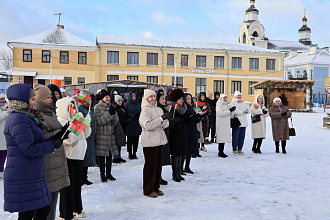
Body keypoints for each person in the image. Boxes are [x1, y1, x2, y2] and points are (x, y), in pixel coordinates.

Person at [4, 84, 55, 219]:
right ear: (22, 100)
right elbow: (29, 149)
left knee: (40, 210)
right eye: (32, 99)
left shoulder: (27, 115)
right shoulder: (18, 118)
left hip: (30, 172)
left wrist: (54, 138)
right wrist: (51, 145)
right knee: (30, 213)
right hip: (23, 174)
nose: (34, 102)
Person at [34, 84, 70, 220]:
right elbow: (40, 136)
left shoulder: (50, 112)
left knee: (52, 204)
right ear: (40, 100)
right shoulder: (38, 114)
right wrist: (59, 133)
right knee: (46, 207)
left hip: (56, 161)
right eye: (48, 97)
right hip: (48, 164)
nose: (52, 99)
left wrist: (64, 132)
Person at [57, 97, 91, 219]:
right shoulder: (61, 121)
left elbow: (86, 135)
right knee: (68, 187)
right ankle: (65, 213)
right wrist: (77, 126)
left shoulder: (74, 119)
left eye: (74, 106)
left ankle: (77, 208)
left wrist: (85, 124)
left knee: (77, 184)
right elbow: (69, 140)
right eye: (70, 106)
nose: (73, 109)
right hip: (69, 157)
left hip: (79, 156)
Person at [139, 89, 169, 198]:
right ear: (146, 98)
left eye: (153, 96)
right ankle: (148, 189)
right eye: (150, 97)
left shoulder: (158, 109)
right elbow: (148, 125)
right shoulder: (145, 111)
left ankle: (156, 187)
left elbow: (164, 125)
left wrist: (166, 120)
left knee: (158, 165)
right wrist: (161, 119)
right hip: (150, 141)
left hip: (159, 139)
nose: (152, 99)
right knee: (150, 166)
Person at [94, 90, 119, 182]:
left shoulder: (110, 106)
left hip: (110, 135)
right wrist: (109, 114)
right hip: (102, 135)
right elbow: (99, 121)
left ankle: (109, 173)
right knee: (101, 156)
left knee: (109, 155)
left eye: (109, 97)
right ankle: (102, 174)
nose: (108, 99)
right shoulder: (97, 107)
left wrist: (114, 113)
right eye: (106, 97)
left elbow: (116, 121)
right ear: (102, 98)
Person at [167, 88, 187, 182]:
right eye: (180, 99)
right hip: (174, 132)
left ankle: (179, 172)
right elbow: (168, 119)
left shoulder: (181, 108)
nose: (182, 101)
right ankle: (175, 173)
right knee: (175, 153)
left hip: (181, 132)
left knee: (179, 152)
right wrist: (175, 121)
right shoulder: (171, 107)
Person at [77, 91, 96, 185]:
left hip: (90, 137)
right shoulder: (80, 109)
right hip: (84, 137)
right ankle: (81, 177)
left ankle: (85, 177)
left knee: (87, 158)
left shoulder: (89, 109)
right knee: (83, 158)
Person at [156, 92, 173, 185]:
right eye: (162, 99)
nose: (164, 100)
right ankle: (157, 177)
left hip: (166, 133)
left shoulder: (165, 108)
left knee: (162, 157)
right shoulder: (158, 109)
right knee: (159, 156)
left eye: (164, 98)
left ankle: (159, 176)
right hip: (159, 135)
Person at [183, 93, 200, 173]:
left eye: (190, 99)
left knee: (190, 150)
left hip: (192, 129)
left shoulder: (191, 107)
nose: (189, 101)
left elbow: (194, 120)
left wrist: (199, 117)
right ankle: (181, 167)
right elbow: (185, 119)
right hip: (186, 131)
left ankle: (187, 166)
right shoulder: (184, 108)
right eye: (187, 99)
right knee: (185, 150)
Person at [230, 91, 249, 156]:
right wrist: (242, 111)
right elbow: (233, 112)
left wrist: (246, 110)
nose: (239, 97)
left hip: (243, 122)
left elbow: (247, 110)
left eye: (240, 95)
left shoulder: (243, 102)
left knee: (242, 136)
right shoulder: (233, 103)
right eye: (238, 95)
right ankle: (234, 149)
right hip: (237, 122)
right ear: (235, 96)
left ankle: (240, 149)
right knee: (235, 136)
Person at [125, 91, 142, 159]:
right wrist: (132, 116)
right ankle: (130, 153)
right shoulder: (127, 105)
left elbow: (141, 112)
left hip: (137, 124)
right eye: (132, 97)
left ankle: (134, 152)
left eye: (135, 96)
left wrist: (138, 115)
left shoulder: (138, 104)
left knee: (136, 140)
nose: (134, 98)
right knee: (130, 140)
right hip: (130, 124)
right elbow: (126, 114)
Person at [113, 95, 128, 163]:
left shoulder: (123, 108)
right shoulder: (115, 108)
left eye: (121, 101)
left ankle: (119, 155)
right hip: (118, 126)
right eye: (118, 101)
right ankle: (116, 156)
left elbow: (126, 114)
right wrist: (124, 121)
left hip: (123, 126)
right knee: (117, 142)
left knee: (120, 142)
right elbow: (118, 118)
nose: (120, 102)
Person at [0, 93, 8, 179]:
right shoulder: (5, 110)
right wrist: (6, 113)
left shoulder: (5, 108)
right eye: (1, 99)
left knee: (3, 155)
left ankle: (1, 172)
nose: (3, 101)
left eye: (3, 99)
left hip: (4, 135)